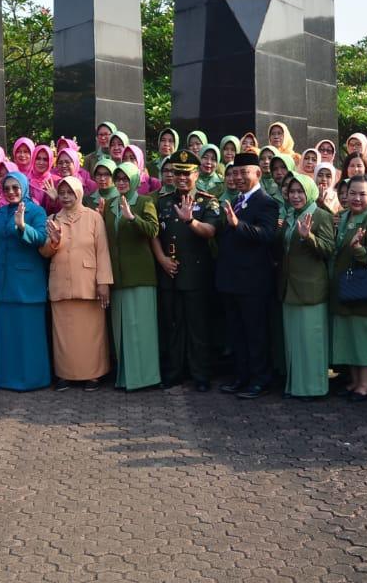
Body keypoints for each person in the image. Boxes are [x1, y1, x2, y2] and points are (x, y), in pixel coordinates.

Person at [152, 150, 221, 391]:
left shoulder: (207, 201)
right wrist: (161, 259)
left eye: (187, 174)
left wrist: (190, 220)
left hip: (196, 275)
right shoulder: (163, 201)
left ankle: (200, 375)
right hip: (170, 273)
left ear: (197, 173)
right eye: (177, 173)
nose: (182, 178)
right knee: (173, 325)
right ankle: (174, 372)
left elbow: (211, 232)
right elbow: (155, 234)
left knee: (198, 327)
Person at [215, 152, 280, 398]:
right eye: (236, 173)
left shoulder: (267, 202)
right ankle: (241, 377)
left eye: (245, 172)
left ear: (258, 174)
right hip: (230, 280)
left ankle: (260, 380)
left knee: (255, 333)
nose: (239, 177)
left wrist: (237, 225)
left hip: (253, 282)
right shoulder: (236, 200)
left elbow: (267, 235)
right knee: (236, 333)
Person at [41, 175, 113, 390]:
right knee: (63, 335)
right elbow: (44, 252)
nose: (65, 197)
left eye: (69, 193)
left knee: (91, 334)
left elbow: (102, 251)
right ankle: (65, 374)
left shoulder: (93, 218)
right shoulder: (53, 218)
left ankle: (93, 375)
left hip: (88, 284)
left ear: (79, 193)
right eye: (61, 193)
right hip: (61, 284)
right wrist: (53, 242)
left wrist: (104, 283)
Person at [329, 174, 367, 400]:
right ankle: (354, 381)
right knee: (349, 337)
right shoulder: (342, 217)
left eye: (362, 194)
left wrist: (359, 250)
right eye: (352, 193)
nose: (356, 198)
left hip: (365, 290)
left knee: (363, 338)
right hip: (344, 289)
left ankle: (365, 384)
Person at [0, 170, 51, 391]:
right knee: (8, 333)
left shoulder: (36, 211)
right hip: (4, 281)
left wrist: (23, 227)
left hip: (27, 282)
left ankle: (34, 379)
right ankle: (7, 378)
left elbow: (43, 238)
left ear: (24, 188)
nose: (11, 192)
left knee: (29, 334)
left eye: (15, 187)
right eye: (6, 189)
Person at [278, 172, 334, 399]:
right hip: (289, 287)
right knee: (294, 342)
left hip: (311, 289)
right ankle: (296, 386)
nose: (295, 196)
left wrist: (308, 237)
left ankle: (313, 388)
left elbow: (329, 249)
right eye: (292, 191)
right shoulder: (290, 216)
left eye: (300, 191)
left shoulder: (320, 216)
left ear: (310, 192)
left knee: (311, 341)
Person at [106, 162, 161, 391]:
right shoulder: (109, 205)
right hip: (118, 277)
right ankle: (125, 377)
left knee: (142, 329)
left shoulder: (145, 201)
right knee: (122, 330)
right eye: (118, 179)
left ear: (135, 180)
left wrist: (132, 218)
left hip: (140, 276)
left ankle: (146, 377)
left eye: (125, 179)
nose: (121, 183)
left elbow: (153, 230)